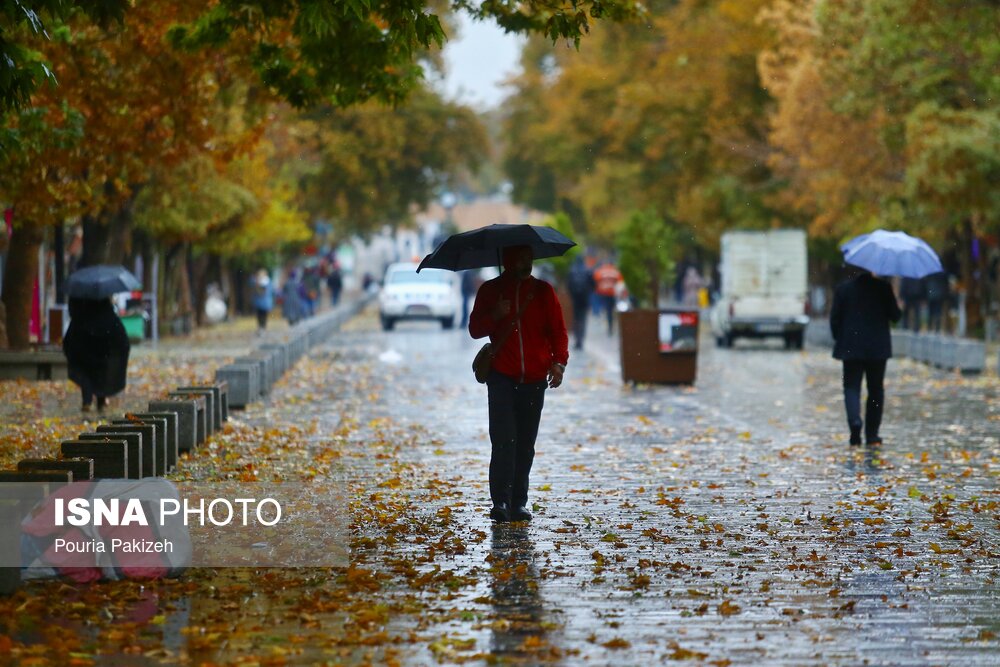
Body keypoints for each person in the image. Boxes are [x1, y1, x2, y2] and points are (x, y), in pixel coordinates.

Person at [469, 245, 569, 523]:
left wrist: (559, 362)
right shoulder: (490, 291)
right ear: (508, 261)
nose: (526, 264)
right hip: (501, 376)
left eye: (529, 259)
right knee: (503, 441)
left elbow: (558, 330)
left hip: (535, 379)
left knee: (525, 443)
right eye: (520, 259)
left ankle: (518, 502)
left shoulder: (543, 292)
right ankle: (500, 500)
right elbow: (475, 329)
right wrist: (496, 315)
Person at [830, 268, 902, 446]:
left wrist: (841, 338)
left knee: (851, 387)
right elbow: (896, 317)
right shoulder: (883, 288)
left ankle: (855, 422)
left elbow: (834, 319)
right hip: (877, 349)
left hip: (851, 347)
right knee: (876, 390)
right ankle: (872, 434)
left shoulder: (843, 289)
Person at [63, 297, 130, 412]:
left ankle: (87, 401)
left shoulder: (80, 301)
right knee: (101, 372)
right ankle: (101, 401)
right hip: (102, 344)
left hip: (84, 342)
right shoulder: (104, 306)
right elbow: (118, 332)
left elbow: (72, 315)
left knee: (86, 372)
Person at [566, 256, 595, 349]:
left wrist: (572, 294)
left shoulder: (571, 270)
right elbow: (593, 285)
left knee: (576, 319)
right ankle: (581, 340)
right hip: (584, 298)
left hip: (575, 299)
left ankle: (577, 339)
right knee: (583, 319)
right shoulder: (587, 270)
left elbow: (568, 285)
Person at [592, 259, 622, 335]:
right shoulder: (615, 271)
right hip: (612, 293)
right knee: (611, 310)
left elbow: (595, 279)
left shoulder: (601, 271)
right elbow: (620, 282)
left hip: (603, 293)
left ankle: (608, 323)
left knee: (607, 310)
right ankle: (611, 324)